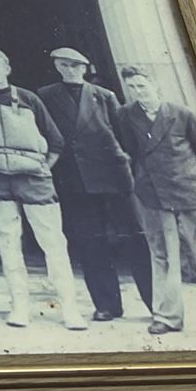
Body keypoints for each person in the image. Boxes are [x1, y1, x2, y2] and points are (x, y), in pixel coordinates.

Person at [0, 45, 86, 330]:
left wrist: (43, 168)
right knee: (7, 242)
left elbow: (56, 141)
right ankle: (20, 307)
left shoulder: (29, 98)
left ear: (7, 68)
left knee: (52, 242)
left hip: (33, 178)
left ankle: (70, 309)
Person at [117, 65, 196, 341]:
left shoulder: (181, 114)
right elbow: (132, 151)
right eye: (132, 87)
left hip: (192, 193)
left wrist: (195, 183)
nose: (138, 92)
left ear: (155, 86)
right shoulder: (125, 115)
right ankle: (167, 317)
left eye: (142, 86)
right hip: (153, 196)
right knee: (161, 256)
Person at [36, 47, 153, 322]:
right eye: (64, 65)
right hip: (75, 180)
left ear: (85, 68)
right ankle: (106, 305)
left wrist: (128, 168)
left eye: (75, 66)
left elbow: (124, 136)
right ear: (57, 67)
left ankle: (154, 303)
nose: (70, 70)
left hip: (113, 177)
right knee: (91, 243)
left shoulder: (104, 96)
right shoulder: (46, 96)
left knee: (136, 238)